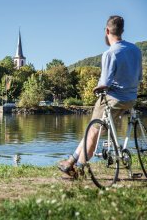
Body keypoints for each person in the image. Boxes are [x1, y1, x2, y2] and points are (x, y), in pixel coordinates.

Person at [58, 15, 143, 177]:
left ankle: (79, 167)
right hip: (131, 98)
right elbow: (139, 77)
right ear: (122, 30)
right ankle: (70, 161)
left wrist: (95, 89)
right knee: (93, 129)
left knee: (93, 130)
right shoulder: (136, 50)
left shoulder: (110, 53)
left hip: (114, 99)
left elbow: (105, 83)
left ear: (107, 31)